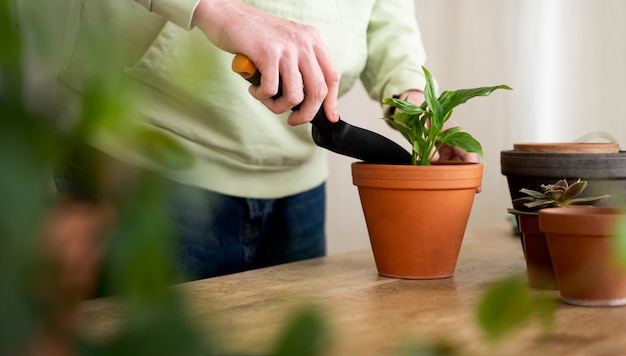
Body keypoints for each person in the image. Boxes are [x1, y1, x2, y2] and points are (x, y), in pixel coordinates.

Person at [52, 0, 479, 281]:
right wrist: (218, 9)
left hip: (299, 190)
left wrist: (411, 93)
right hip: (144, 162)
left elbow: (385, 11)